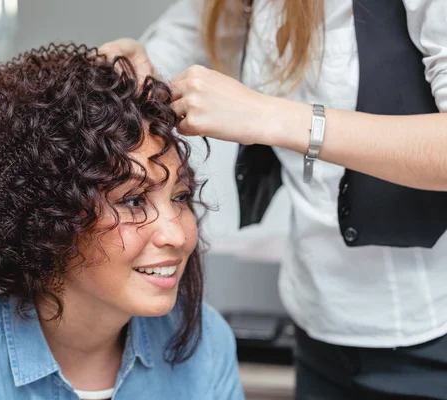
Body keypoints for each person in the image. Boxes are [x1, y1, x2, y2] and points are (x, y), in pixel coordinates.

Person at [100, 0, 447, 399]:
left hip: (432, 332)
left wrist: (271, 117)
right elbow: (160, 59)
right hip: (317, 326)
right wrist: (135, 67)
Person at [0, 44, 244, 400]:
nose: (176, 234)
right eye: (134, 201)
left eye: (180, 197)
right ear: (49, 220)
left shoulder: (203, 345)